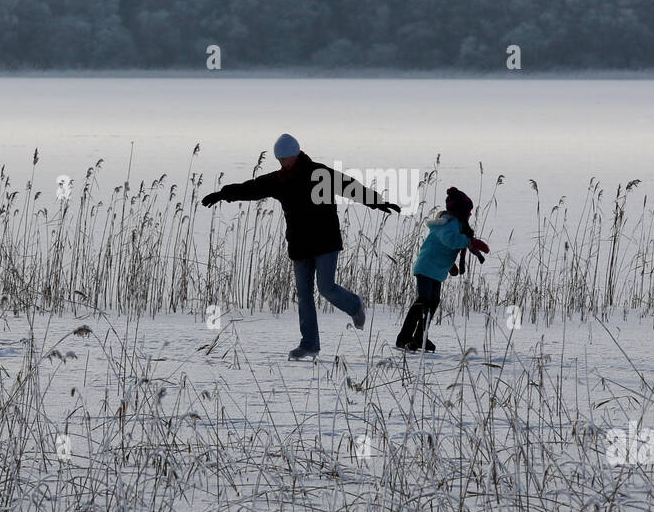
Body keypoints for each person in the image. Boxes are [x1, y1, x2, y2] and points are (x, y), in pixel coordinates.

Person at [201, 133, 401, 359]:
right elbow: (252, 188)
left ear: (296, 154)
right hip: (299, 245)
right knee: (304, 295)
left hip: (325, 241)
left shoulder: (319, 173)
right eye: (279, 159)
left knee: (326, 288)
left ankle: (355, 306)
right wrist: (223, 194)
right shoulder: (279, 180)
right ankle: (309, 345)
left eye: (286, 158)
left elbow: (349, 186)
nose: (283, 163)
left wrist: (377, 202)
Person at [396, 187, 490, 352]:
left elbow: (442, 248)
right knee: (423, 300)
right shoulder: (447, 223)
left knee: (432, 302)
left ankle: (420, 337)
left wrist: (450, 265)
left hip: (436, 270)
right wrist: (470, 242)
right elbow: (451, 241)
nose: (470, 215)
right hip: (426, 268)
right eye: (467, 211)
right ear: (459, 211)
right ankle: (404, 338)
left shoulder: (456, 224)